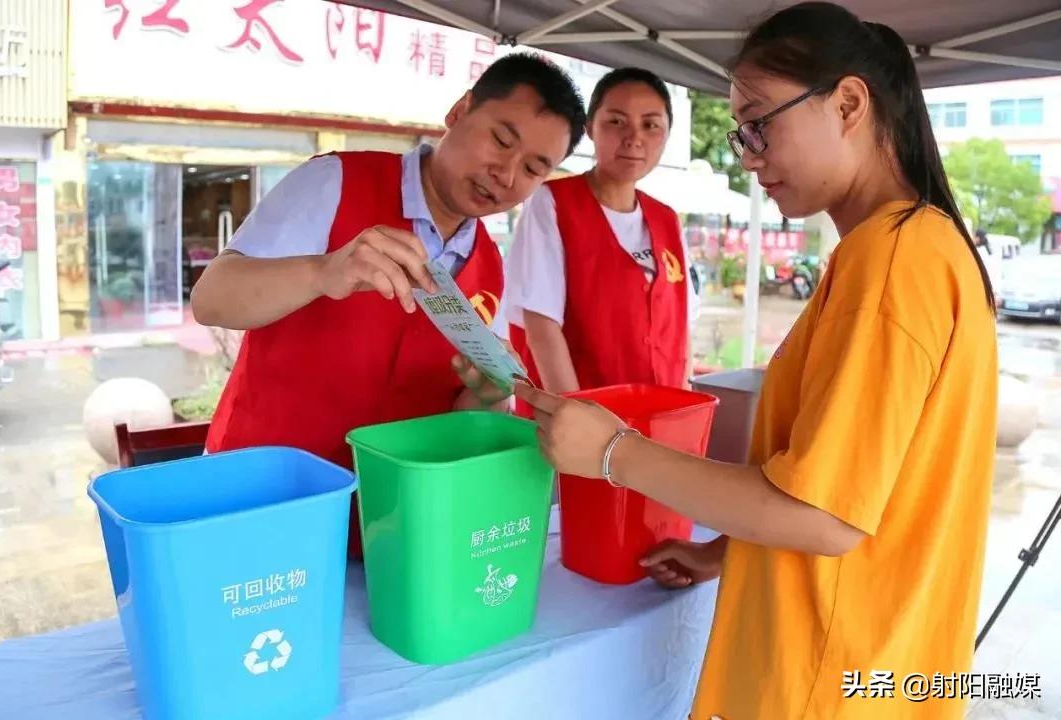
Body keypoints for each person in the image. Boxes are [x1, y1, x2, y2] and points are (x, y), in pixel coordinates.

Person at [515, 3, 998, 718]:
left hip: (826, 677)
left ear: (849, 104)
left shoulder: (893, 262)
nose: (748, 153)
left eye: (761, 123)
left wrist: (617, 453)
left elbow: (823, 514)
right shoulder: (915, 249)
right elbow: (866, 491)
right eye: (741, 132)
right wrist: (728, 553)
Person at [192, 53, 586, 555]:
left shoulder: (490, 265)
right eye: (501, 140)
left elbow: (462, 411)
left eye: (533, 168)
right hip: (267, 501)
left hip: (392, 527)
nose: (505, 174)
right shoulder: (334, 181)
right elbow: (212, 299)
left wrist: (487, 396)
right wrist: (323, 272)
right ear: (459, 111)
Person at [499, 67, 697, 410]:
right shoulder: (553, 203)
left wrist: (685, 408)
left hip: (658, 424)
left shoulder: (667, 220)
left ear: (666, 135)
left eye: (650, 125)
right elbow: (542, 327)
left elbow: (681, 332)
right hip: (581, 427)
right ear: (590, 127)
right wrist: (579, 420)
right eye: (616, 122)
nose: (634, 138)